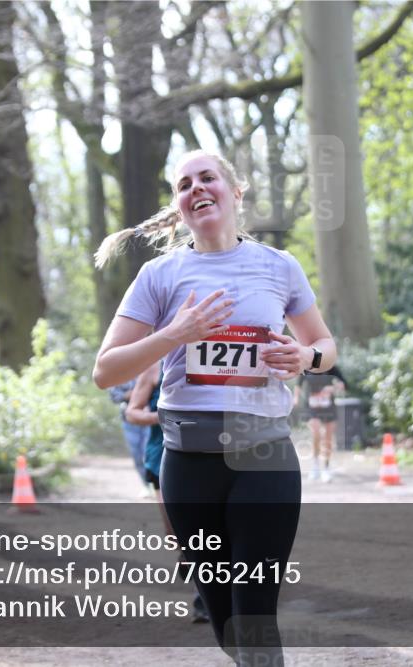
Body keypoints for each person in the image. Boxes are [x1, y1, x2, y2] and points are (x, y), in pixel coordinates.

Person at [93, 150, 336, 666]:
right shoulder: (159, 275)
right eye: (184, 184)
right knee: (227, 624)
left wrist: (305, 357)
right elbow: (105, 371)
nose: (196, 188)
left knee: (255, 616)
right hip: (189, 465)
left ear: (235, 191)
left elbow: (324, 345)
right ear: (179, 206)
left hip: (265, 458)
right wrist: (174, 334)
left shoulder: (279, 266)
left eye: (207, 178)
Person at [125, 360, 210, 624]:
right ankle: (187, 555)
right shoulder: (152, 367)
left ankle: (204, 600)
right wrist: (163, 416)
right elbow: (132, 412)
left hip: (209, 455)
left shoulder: (213, 358)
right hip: (161, 457)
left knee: (210, 530)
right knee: (177, 533)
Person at [294, 365, 348, 483]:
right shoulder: (307, 366)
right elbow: (298, 384)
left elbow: (344, 385)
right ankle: (315, 465)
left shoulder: (331, 367)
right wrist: (296, 398)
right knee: (316, 433)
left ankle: (326, 468)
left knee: (328, 437)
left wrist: (332, 388)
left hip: (328, 407)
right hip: (312, 407)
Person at [108, 379, 150, 489]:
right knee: (137, 455)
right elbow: (113, 396)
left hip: (150, 419)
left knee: (148, 453)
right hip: (128, 421)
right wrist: (129, 395)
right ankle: (146, 485)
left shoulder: (149, 371)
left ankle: (156, 484)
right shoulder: (119, 375)